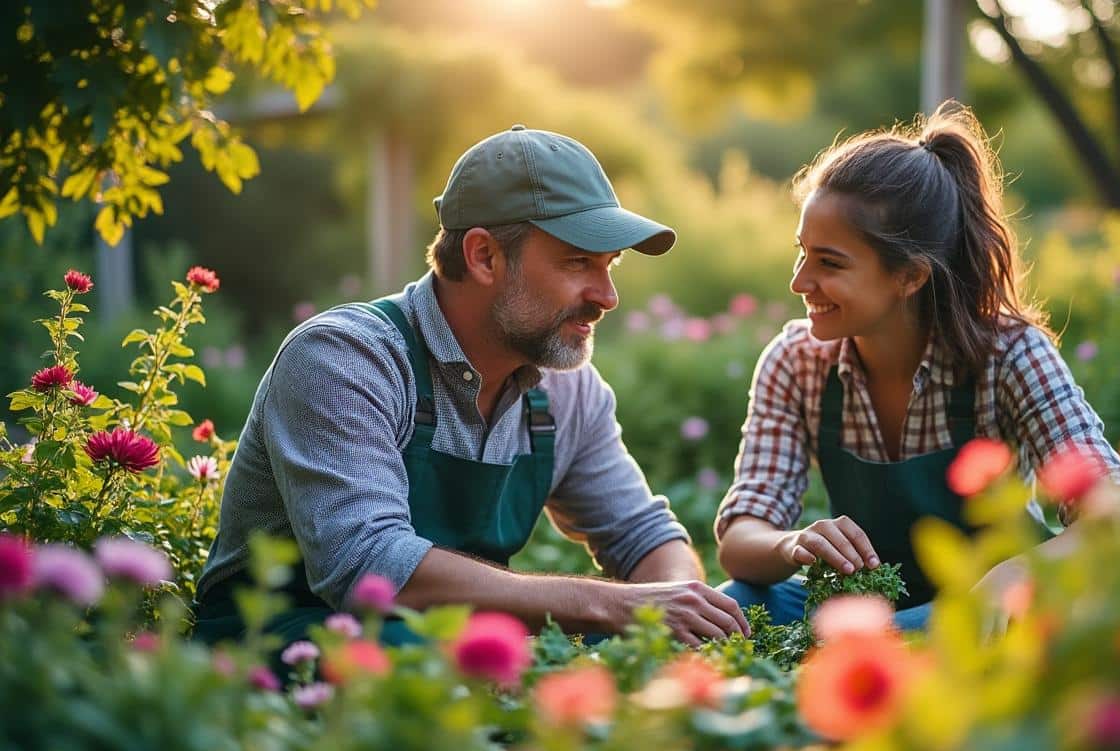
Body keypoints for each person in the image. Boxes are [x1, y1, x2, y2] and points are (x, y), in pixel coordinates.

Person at [193, 125, 747, 649]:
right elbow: (371, 569)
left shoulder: (567, 390)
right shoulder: (346, 357)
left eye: (610, 266)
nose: (607, 296)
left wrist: (675, 608)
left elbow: (644, 536)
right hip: (280, 647)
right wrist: (607, 604)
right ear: (484, 256)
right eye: (577, 262)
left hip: (445, 651)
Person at [715, 102, 1120, 632]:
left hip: (990, 614)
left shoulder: (1010, 356)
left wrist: (1014, 575)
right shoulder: (796, 361)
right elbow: (740, 540)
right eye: (802, 253)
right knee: (732, 605)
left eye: (829, 262)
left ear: (910, 277)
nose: (799, 281)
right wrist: (791, 543)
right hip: (870, 606)